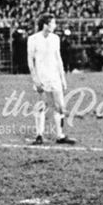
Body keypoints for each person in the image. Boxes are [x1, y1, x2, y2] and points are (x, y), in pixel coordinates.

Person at [27, 16, 77, 145]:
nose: (55, 25)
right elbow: (30, 61)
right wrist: (35, 79)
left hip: (54, 77)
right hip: (41, 78)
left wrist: (62, 77)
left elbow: (58, 59)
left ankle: (60, 135)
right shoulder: (32, 39)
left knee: (59, 107)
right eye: (53, 23)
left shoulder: (55, 39)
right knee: (41, 106)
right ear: (45, 24)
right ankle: (39, 135)